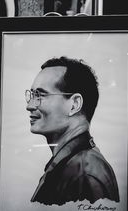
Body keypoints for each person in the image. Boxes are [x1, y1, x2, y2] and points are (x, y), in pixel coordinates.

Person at [26, 56, 119, 205]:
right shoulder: (74, 165)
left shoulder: (84, 173)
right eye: (31, 95)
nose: (30, 105)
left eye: (40, 95)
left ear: (75, 104)